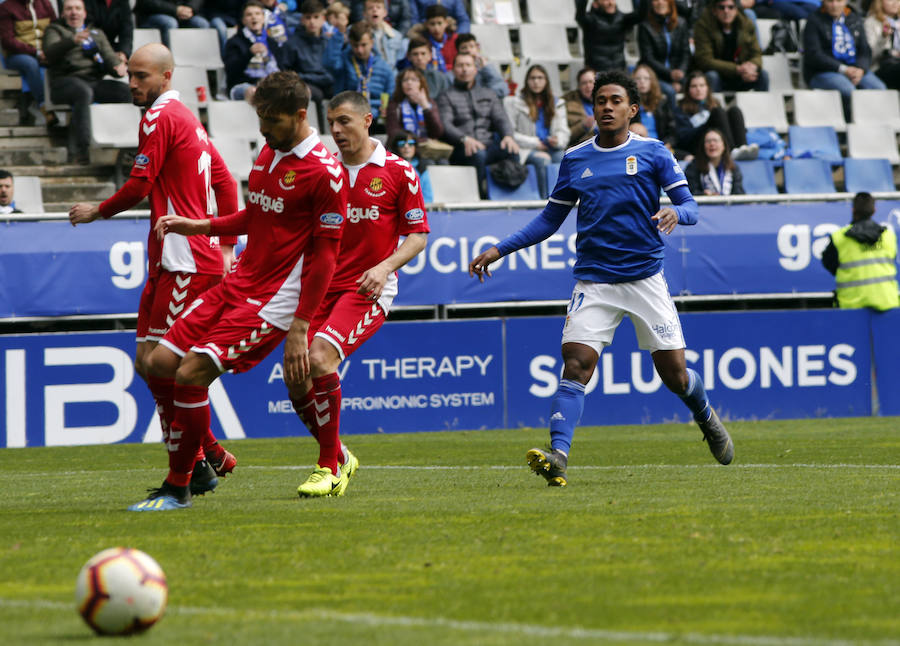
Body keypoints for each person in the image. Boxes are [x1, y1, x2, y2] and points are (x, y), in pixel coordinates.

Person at [468, 69, 734, 487]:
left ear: (632, 109)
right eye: (599, 101)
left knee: (675, 375)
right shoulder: (575, 158)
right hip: (594, 281)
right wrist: (500, 248)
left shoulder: (654, 153)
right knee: (576, 364)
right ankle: (558, 455)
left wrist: (674, 212)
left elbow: (692, 207)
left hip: (645, 278)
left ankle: (706, 416)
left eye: (614, 101)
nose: (606, 107)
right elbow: (550, 220)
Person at [128, 70, 348, 510]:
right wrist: (201, 225)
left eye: (272, 120)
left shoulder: (325, 173)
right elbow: (256, 215)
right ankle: (207, 458)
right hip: (238, 283)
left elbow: (326, 257)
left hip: (273, 302)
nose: (263, 129)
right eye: (260, 118)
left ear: (300, 116)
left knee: (190, 375)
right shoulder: (269, 152)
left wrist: (300, 327)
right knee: (160, 363)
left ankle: (180, 485)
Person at [68, 44, 240, 497]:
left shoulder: (161, 117)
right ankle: (207, 453)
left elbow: (141, 184)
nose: (132, 83)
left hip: (186, 262)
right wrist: (225, 244)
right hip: (170, 261)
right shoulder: (185, 118)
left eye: (142, 76)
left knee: (167, 368)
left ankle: (188, 472)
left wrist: (97, 212)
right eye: (130, 74)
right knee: (147, 365)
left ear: (165, 77)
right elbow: (222, 179)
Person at [286, 91, 428, 497]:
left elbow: (417, 236)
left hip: (367, 289)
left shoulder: (398, 172)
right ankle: (341, 455)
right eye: (331, 122)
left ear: (368, 120)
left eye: (344, 121)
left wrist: (384, 268)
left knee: (319, 358)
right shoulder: (323, 172)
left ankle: (327, 467)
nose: (336, 130)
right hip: (319, 289)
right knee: (295, 379)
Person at [43, 0, 132, 165]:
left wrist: (118, 68)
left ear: (85, 13)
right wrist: (73, 41)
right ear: (63, 13)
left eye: (78, 8)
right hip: (64, 82)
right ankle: (81, 150)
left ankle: (126, 143)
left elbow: (109, 57)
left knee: (125, 91)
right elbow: (49, 53)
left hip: (93, 81)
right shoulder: (54, 30)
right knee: (83, 92)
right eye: (69, 9)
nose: (74, 12)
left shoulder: (96, 33)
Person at [438, 52, 519, 199]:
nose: (464, 69)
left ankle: (511, 195)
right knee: (478, 154)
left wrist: (508, 136)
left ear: (475, 69)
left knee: (511, 149)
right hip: (461, 148)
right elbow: (446, 125)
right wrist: (464, 139)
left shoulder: (488, 93)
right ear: (453, 70)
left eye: (468, 65)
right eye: (460, 65)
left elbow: (501, 118)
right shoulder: (446, 95)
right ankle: (480, 197)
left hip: (488, 144)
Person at [803, 0, 886, 121]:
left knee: (879, 88)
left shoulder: (854, 18)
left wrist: (861, 69)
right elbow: (814, 55)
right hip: (822, 72)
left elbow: (865, 50)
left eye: (839, 1)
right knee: (848, 90)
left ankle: (873, 125)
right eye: (830, 1)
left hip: (855, 68)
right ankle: (849, 127)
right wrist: (844, 69)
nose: (834, 5)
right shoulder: (814, 20)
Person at [822, 192, 899, 310]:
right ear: (874, 210)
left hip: (851, 306)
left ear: (853, 210)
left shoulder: (839, 238)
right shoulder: (888, 236)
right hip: (887, 304)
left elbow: (829, 264)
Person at [505, 64, 570, 199]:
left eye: (540, 78)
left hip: (551, 147)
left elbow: (564, 131)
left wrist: (558, 140)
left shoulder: (557, 103)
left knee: (562, 158)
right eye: (532, 78)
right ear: (527, 81)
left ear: (546, 81)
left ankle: (562, 199)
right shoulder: (515, 103)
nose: (536, 82)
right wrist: (536, 144)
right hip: (526, 149)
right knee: (543, 160)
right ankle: (544, 200)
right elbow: (510, 134)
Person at [674, 71, 757, 161]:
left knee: (734, 110)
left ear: (707, 88)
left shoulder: (714, 102)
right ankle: (731, 151)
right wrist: (707, 124)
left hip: (716, 138)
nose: (698, 89)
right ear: (688, 89)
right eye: (694, 86)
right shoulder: (681, 108)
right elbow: (684, 137)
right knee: (718, 112)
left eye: (702, 85)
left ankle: (742, 148)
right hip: (696, 143)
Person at [277, 0, 339, 119]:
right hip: (305, 83)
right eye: (308, 17)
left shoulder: (328, 42)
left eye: (316, 17)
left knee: (342, 93)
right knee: (316, 95)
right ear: (302, 19)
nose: (312, 22)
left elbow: (335, 69)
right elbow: (286, 72)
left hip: (328, 82)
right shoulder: (292, 44)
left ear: (323, 19)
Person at [0, 0, 56, 126]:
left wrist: (49, 51)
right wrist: (36, 52)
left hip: (44, 52)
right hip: (17, 56)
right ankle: (44, 106)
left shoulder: (45, 4)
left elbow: (55, 28)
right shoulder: (6, 8)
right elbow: (8, 41)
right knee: (30, 64)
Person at [324, 20, 395, 119]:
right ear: (350, 43)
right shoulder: (344, 61)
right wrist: (339, 34)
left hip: (376, 116)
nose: (359, 50)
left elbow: (391, 95)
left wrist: (386, 108)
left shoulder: (384, 67)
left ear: (372, 42)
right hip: (348, 114)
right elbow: (329, 64)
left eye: (363, 45)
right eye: (355, 45)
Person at [693, 0, 769, 92]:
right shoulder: (703, 25)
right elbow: (704, 60)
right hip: (719, 73)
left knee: (762, 75)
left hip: (742, 74)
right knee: (712, 76)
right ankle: (712, 105)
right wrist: (736, 69)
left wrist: (752, 66)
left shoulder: (746, 24)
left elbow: (757, 53)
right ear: (714, 10)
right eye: (721, 7)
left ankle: (760, 105)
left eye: (731, 7)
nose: (726, 11)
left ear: (736, 9)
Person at [224, 0, 281, 102]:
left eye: (257, 14)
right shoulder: (234, 42)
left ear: (263, 18)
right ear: (243, 20)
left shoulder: (272, 42)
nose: (254, 17)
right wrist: (249, 54)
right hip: (242, 85)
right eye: (249, 15)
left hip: (270, 83)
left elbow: (283, 66)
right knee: (255, 92)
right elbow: (230, 70)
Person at [638, 0, 691, 104]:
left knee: (696, 85)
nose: (660, 2)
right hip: (656, 75)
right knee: (670, 91)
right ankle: (672, 119)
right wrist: (670, 74)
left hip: (678, 73)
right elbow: (648, 58)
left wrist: (680, 73)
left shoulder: (681, 23)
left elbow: (686, 53)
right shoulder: (645, 26)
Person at [576, 0, 641, 74]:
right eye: (605, 0)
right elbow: (579, 16)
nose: (610, 3)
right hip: (596, 71)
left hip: (619, 69)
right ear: (595, 4)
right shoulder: (589, 20)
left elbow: (641, 15)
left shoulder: (622, 18)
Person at [385, 67, 444, 142]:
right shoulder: (394, 105)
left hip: (427, 150)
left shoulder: (430, 103)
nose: (409, 83)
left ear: (421, 83)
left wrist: (425, 107)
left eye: (414, 80)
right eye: (405, 80)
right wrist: (420, 141)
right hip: (403, 147)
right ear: (400, 85)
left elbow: (437, 132)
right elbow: (393, 132)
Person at [632, 64, 680, 155]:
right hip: (637, 148)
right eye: (638, 79)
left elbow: (672, 131)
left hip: (660, 147)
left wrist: (666, 145)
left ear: (652, 81)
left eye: (646, 78)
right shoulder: (628, 105)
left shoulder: (662, 103)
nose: (642, 82)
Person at [685, 127, 745, 195]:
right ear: (703, 146)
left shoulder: (733, 167)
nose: (712, 144)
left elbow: (739, 193)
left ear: (723, 146)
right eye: (708, 141)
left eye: (715, 140)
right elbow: (689, 192)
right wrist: (703, 195)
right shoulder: (693, 167)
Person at [134, 1, 211, 48]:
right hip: (153, 15)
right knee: (170, 23)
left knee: (202, 24)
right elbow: (147, 3)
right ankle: (168, 62)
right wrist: (175, 10)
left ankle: (208, 70)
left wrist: (190, 8)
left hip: (183, 15)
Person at [454, 32, 507, 99]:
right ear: (458, 51)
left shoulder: (486, 68)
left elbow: (502, 90)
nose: (468, 50)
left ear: (477, 48)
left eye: (471, 46)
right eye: (464, 47)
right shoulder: (456, 71)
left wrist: (486, 67)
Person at [388, 129, 433, 202]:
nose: (406, 146)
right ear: (396, 147)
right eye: (401, 144)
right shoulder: (390, 167)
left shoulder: (422, 167)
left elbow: (428, 197)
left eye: (411, 143)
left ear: (415, 146)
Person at [866, 0, 900, 88]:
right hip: (879, 66)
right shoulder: (871, 22)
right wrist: (883, 38)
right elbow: (869, 56)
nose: (895, 3)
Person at [364, 0, 404, 68]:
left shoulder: (396, 36)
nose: (374, 10)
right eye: (370, 8)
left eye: (378, 7)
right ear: (364, 14)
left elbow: (399, 61)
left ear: (385, 12)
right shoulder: (358, 33)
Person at [563, 68, 597, 147]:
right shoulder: (568, 104)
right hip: (582, 146)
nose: (588, 86)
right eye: (584, 83)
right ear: (579, 86)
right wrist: (583, 126)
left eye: (591, 82)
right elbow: (565, 136)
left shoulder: (608, 100)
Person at [419, 4, 457, 73]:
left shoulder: (455, 39)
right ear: (426, 24)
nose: (436, 28)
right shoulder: (421, 41)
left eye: (439, 23)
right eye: (432, 24)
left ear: (446, 23)